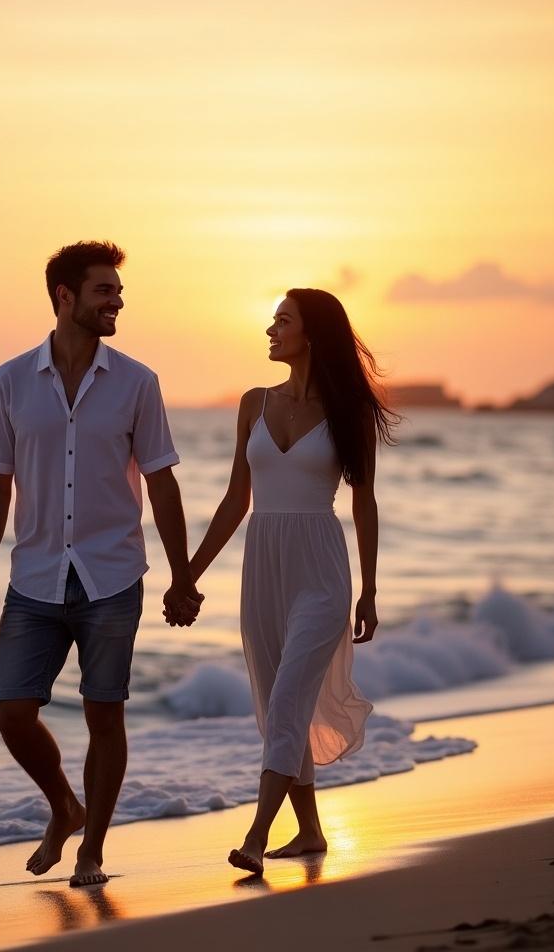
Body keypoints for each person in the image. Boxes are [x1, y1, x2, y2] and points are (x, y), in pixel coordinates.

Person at [0, 240, 202, 888]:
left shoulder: (137, 382)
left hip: (112, 574)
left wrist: (183, 576)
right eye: (105, 290)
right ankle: (63, 806)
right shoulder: (11, 380)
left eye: (119, 292)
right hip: (34, 575)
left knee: (106, 713)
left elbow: (162, 483)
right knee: (12, 710)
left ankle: (92, 849)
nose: (117, 301)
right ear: (64, 296)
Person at [178, 287, 396, 874]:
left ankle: (254, 837)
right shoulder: (252, 402)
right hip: (262, 567)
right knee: (281, 704)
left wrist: (370, 590)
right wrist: (187, 577)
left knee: (286, 702)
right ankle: (310, 832)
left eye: (282, 321)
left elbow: (365, 503)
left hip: (321, 569)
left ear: (311, 334)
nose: (270, 330)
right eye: (272, 320)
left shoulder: (349, 412)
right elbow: (234, 500)